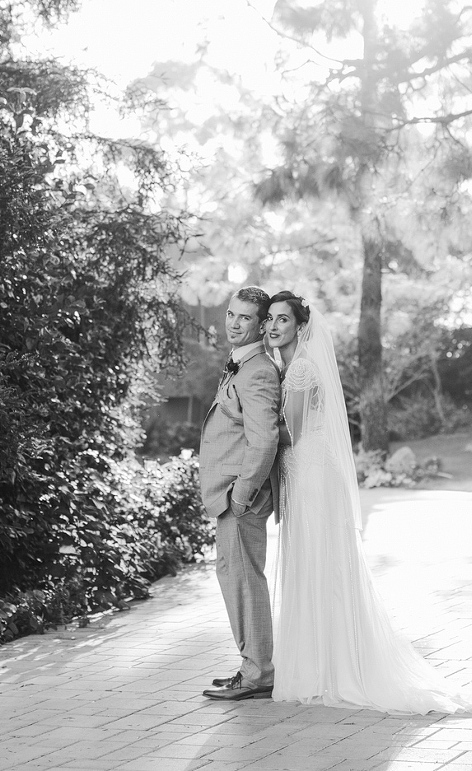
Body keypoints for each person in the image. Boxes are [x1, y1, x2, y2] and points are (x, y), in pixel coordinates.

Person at [264, 290, 472, 715]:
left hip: (310, 475)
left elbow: (288, 430)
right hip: (309, 471)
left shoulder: (298, 372)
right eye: (270, 319)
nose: (274, 326)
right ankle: (325, 659)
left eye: (283, 320)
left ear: (300, 326)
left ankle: (327, 668)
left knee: (318, 563)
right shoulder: (289, 366)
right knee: (318, 564)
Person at [198, 286, 284, 701]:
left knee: (245, 582)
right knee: (236, 579)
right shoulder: (241, 364)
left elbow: (264, 440)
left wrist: (241, 494)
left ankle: (257, 675)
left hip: (241, 495)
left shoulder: (258, 371)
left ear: (261, 323)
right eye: (231, 314)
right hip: (231, 492)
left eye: (245, 318)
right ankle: (252, 666)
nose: (233, 323)